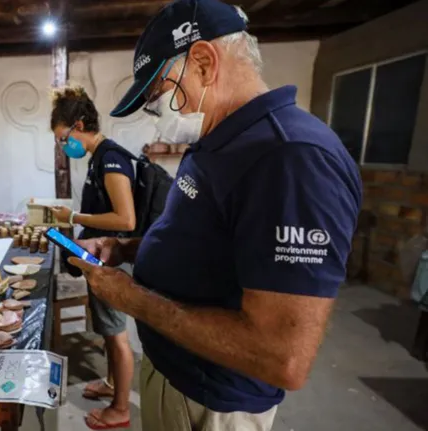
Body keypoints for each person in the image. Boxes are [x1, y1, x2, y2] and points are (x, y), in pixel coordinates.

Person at [67, 1, 363, 430]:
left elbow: (282, 356)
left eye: (158, 95)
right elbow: (208, 245)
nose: (157, 111)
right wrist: (126, 249)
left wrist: (131, 298)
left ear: (204, 62)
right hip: (175, 372)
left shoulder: (291, 159)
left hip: (212, 401)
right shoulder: (217, 140)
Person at [49, 86, 135, 430]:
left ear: (79, 125)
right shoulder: (99, 158)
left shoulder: (111, 157)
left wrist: (74, 219)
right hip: (99, 259)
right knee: (106, 329)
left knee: (117, 336)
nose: (62, 145)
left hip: (113, 263)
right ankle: (112, 384)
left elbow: (125, 219)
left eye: (63, 137)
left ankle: (121, 408)